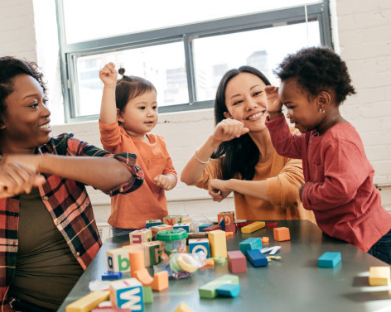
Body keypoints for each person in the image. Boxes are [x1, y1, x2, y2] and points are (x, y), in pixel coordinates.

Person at [0, 56, 144, 312]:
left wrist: (42, 163)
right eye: (33, 105)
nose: (46, 111)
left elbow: (128, 173)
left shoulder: (64, 149)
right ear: (0, 118)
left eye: (44, 100)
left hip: (100, 299)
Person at [265, 46, 391, 264]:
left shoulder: (339, 140)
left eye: (291, 107)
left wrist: (305, 191)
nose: (290, 115)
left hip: (370, 239)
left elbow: (339, 190)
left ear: (321, 101)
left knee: (372, 294)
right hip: (346, 235)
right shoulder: (313, 135)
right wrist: (274, 113)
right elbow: (285, 145)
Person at [180, 66, 314, 222]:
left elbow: (291, 190)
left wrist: (231, 185)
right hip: (254, 246)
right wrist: (214, 140)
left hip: (302, 245)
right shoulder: (237, 159)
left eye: (257, 93)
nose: (250, 105)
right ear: (229, 115)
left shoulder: (300, 139)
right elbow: (189, 177)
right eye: (238, 101)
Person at [98, 63, 177, 236]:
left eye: (154, 107)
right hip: (127, 226)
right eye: (142, 108)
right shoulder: (118, 142)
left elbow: (171, 172)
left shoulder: (160, 142)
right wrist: (109, 87)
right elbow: (107, 123)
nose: (150, 113)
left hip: (159, 222)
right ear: (120, 115)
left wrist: (168, 180)